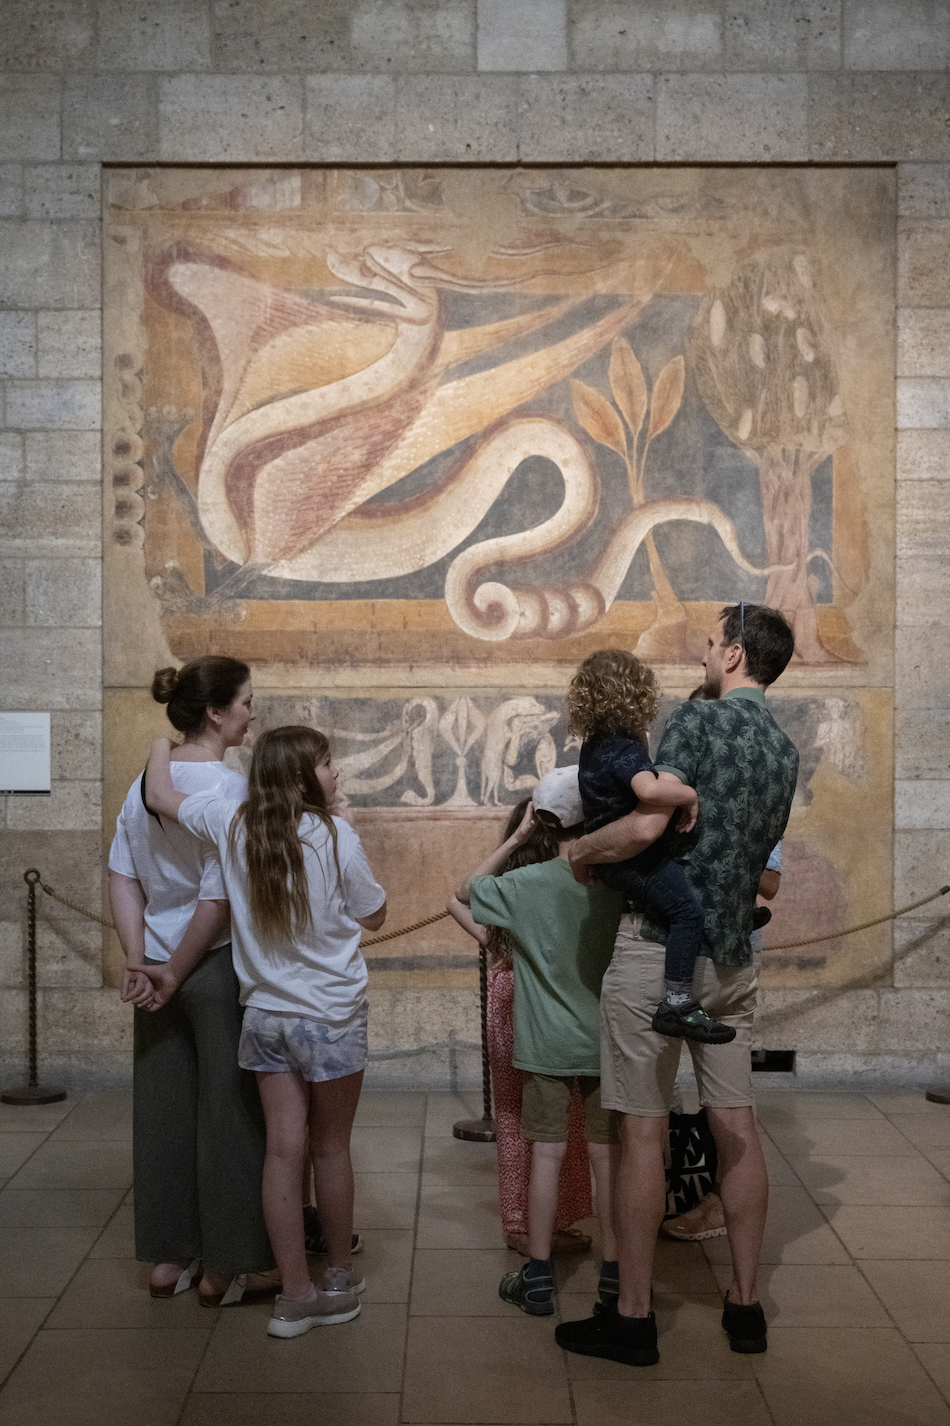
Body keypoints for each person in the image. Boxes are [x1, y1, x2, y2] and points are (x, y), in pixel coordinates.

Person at [556, 603, 798, 1367]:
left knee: (641, 1132)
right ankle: (747, 1305)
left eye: (709, 641)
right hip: (734, 958)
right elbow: (762, 864)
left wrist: (583, 849)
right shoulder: (786, 751)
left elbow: (649, 827)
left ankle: (631, 1319)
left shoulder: (697, 727)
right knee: (736, 1125)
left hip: (658, 953)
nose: (702, 653)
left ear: (733, 655)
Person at [144, 724, 386, 1338]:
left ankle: (295, 1294)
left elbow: (160, 795)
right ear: (306, 777)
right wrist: (341, 825)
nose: (336, 773)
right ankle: (335, 1275)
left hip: (264, 1018)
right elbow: (375, 915)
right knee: (329, 1148)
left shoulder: (233, 824)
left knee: (283, 1151)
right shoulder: (335, 838)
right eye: (328, 764)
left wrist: (162, 741)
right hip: (331, 1016)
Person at [108, 656, 279, 1306]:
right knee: (227, 1113)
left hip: (151, 966)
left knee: (162, 1114)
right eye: (245, 701)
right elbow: (219, 898)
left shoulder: (145, 779)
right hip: (208, 966)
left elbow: (121, 873)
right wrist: (177, 970)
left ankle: (167, 1258)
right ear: (216, 711)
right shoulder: (230, 789)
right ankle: (224, 1263)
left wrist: (138, 959)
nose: (251, 711)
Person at [455, 768, 624, 1317]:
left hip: (544, 1044)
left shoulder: (526, 886)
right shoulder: (617, 885)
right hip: (605, 1042)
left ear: (545, 822)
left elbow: (464, 892)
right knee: (608, 1160)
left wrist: (516, 838)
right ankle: (614, 1280)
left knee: (545, 1157)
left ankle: (539, 1279)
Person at [446, 799, 594, 1258]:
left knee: (518, 1118)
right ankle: (531, 1224)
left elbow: (455, 900)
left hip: (509, 994)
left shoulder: (513, 887)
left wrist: (514, 839)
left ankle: (530, 1222)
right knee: (555, 1121)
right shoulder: (552, 883)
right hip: (540, 1005)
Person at [568, 649, 733, 1044]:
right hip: (630, 856)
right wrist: (689, 793)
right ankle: (676, 1002)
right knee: (686, 913)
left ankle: (729, 908)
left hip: (615, 858)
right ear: (636, 694)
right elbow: (646, 788)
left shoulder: (594, 745)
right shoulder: (625, 749)